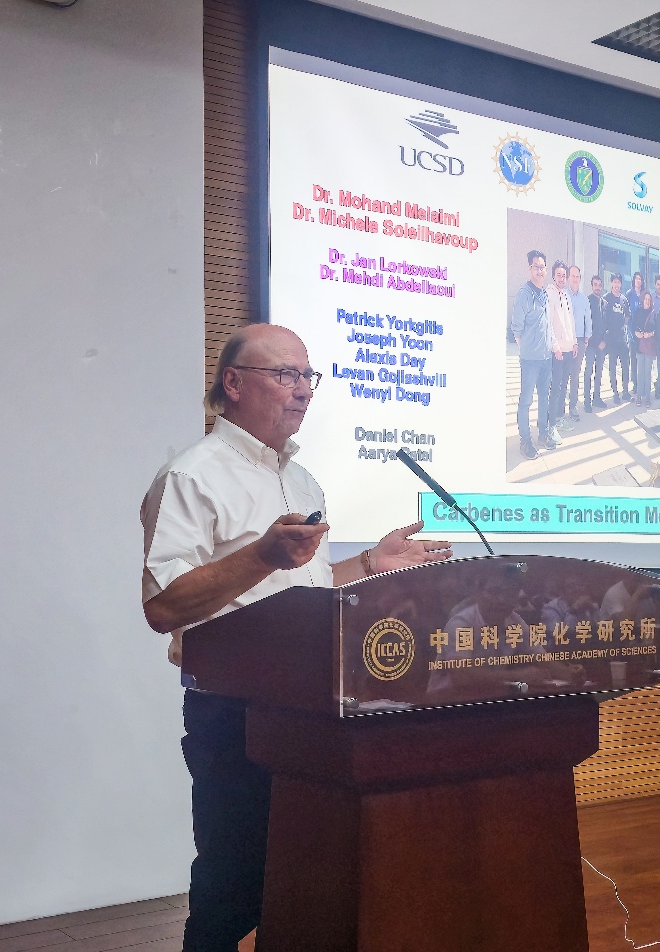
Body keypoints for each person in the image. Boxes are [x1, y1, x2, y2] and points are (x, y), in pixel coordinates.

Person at [140, 323, 452, 952]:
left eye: (308, 376)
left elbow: (299, 591)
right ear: (233, 383)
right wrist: (261, 555)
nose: (303, 390)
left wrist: (370, 565)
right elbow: (164, 605)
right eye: (285, 374)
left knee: (303, 877)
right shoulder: (192, 477)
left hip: (310, 708)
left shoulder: (302, 479)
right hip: (234, 713)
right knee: (232, 881)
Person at [510, 250, 556, 458]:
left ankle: (543, 434)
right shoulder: (524, 294)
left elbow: (547, 324)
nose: (540, 270)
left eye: (542, 267)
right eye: (536, 266)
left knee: (544, 398)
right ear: (530, 268)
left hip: (546, 358)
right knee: (526, 401)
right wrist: (529, 346)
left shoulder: (545, 293)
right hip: (530, 360)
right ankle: (525, 441)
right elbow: (516, 329)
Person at [545, 260, 578, 443]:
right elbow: (548, 323)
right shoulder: (550, 294)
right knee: (555, 389)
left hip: (568, 350)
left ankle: (559, 418)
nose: (562, 278)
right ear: (553, 276)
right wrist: (555, 347)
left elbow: (571, 321)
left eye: (564, 275)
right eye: (559, 275)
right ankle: (551, 426)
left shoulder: (566, 295)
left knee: (563, 386)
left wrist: (574, 343)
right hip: (557, 351)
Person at [566, 265, 591, 423]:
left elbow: (588, 319)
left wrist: (587, 337)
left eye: (577, 276)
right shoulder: (563, 296)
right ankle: (558, 408)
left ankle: (573, 406)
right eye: (573, 276)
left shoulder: (584, 299)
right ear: (568, 277)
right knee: (562, 376)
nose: (575, 279)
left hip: (580, 341)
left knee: (575, 375)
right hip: (565, 342)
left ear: (580, 279)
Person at [603, 273, 631, 402]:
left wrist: (622, 328)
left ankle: (625, 391)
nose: (616, 285)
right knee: (612, 367)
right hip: (611, 340)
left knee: (625, 366)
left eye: (618, 282)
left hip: (622, 339)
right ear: (611, 283)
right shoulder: (606, 298)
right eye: (614, 282)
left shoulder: (624, 299)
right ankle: (615, 393)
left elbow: (627, 316)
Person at [585, 274, 611, 411]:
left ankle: (597, 398)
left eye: (600, 285)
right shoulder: (587, 301)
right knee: (588, 372)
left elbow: (607, 325)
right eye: (595, 285)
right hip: (591, 344)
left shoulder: (605, 303)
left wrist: (604, 341)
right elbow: (587, 325)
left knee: (599, 372)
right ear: (591, 286)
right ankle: (587, 401)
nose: (598, 287)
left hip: (602, 345)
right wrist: (597, 342)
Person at [632, 290, 657, 406]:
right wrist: (636, 333)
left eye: (649, 299)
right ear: (642, 300)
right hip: (639, 346)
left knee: (648, 372)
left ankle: (647, 396)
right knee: (640, 372)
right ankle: (639, 395)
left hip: (650, 346)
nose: (647, 301)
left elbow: (657, 330)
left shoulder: (653, 313)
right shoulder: (638, 311)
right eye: (645, 299)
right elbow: (633, 327)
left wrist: (650, 334)